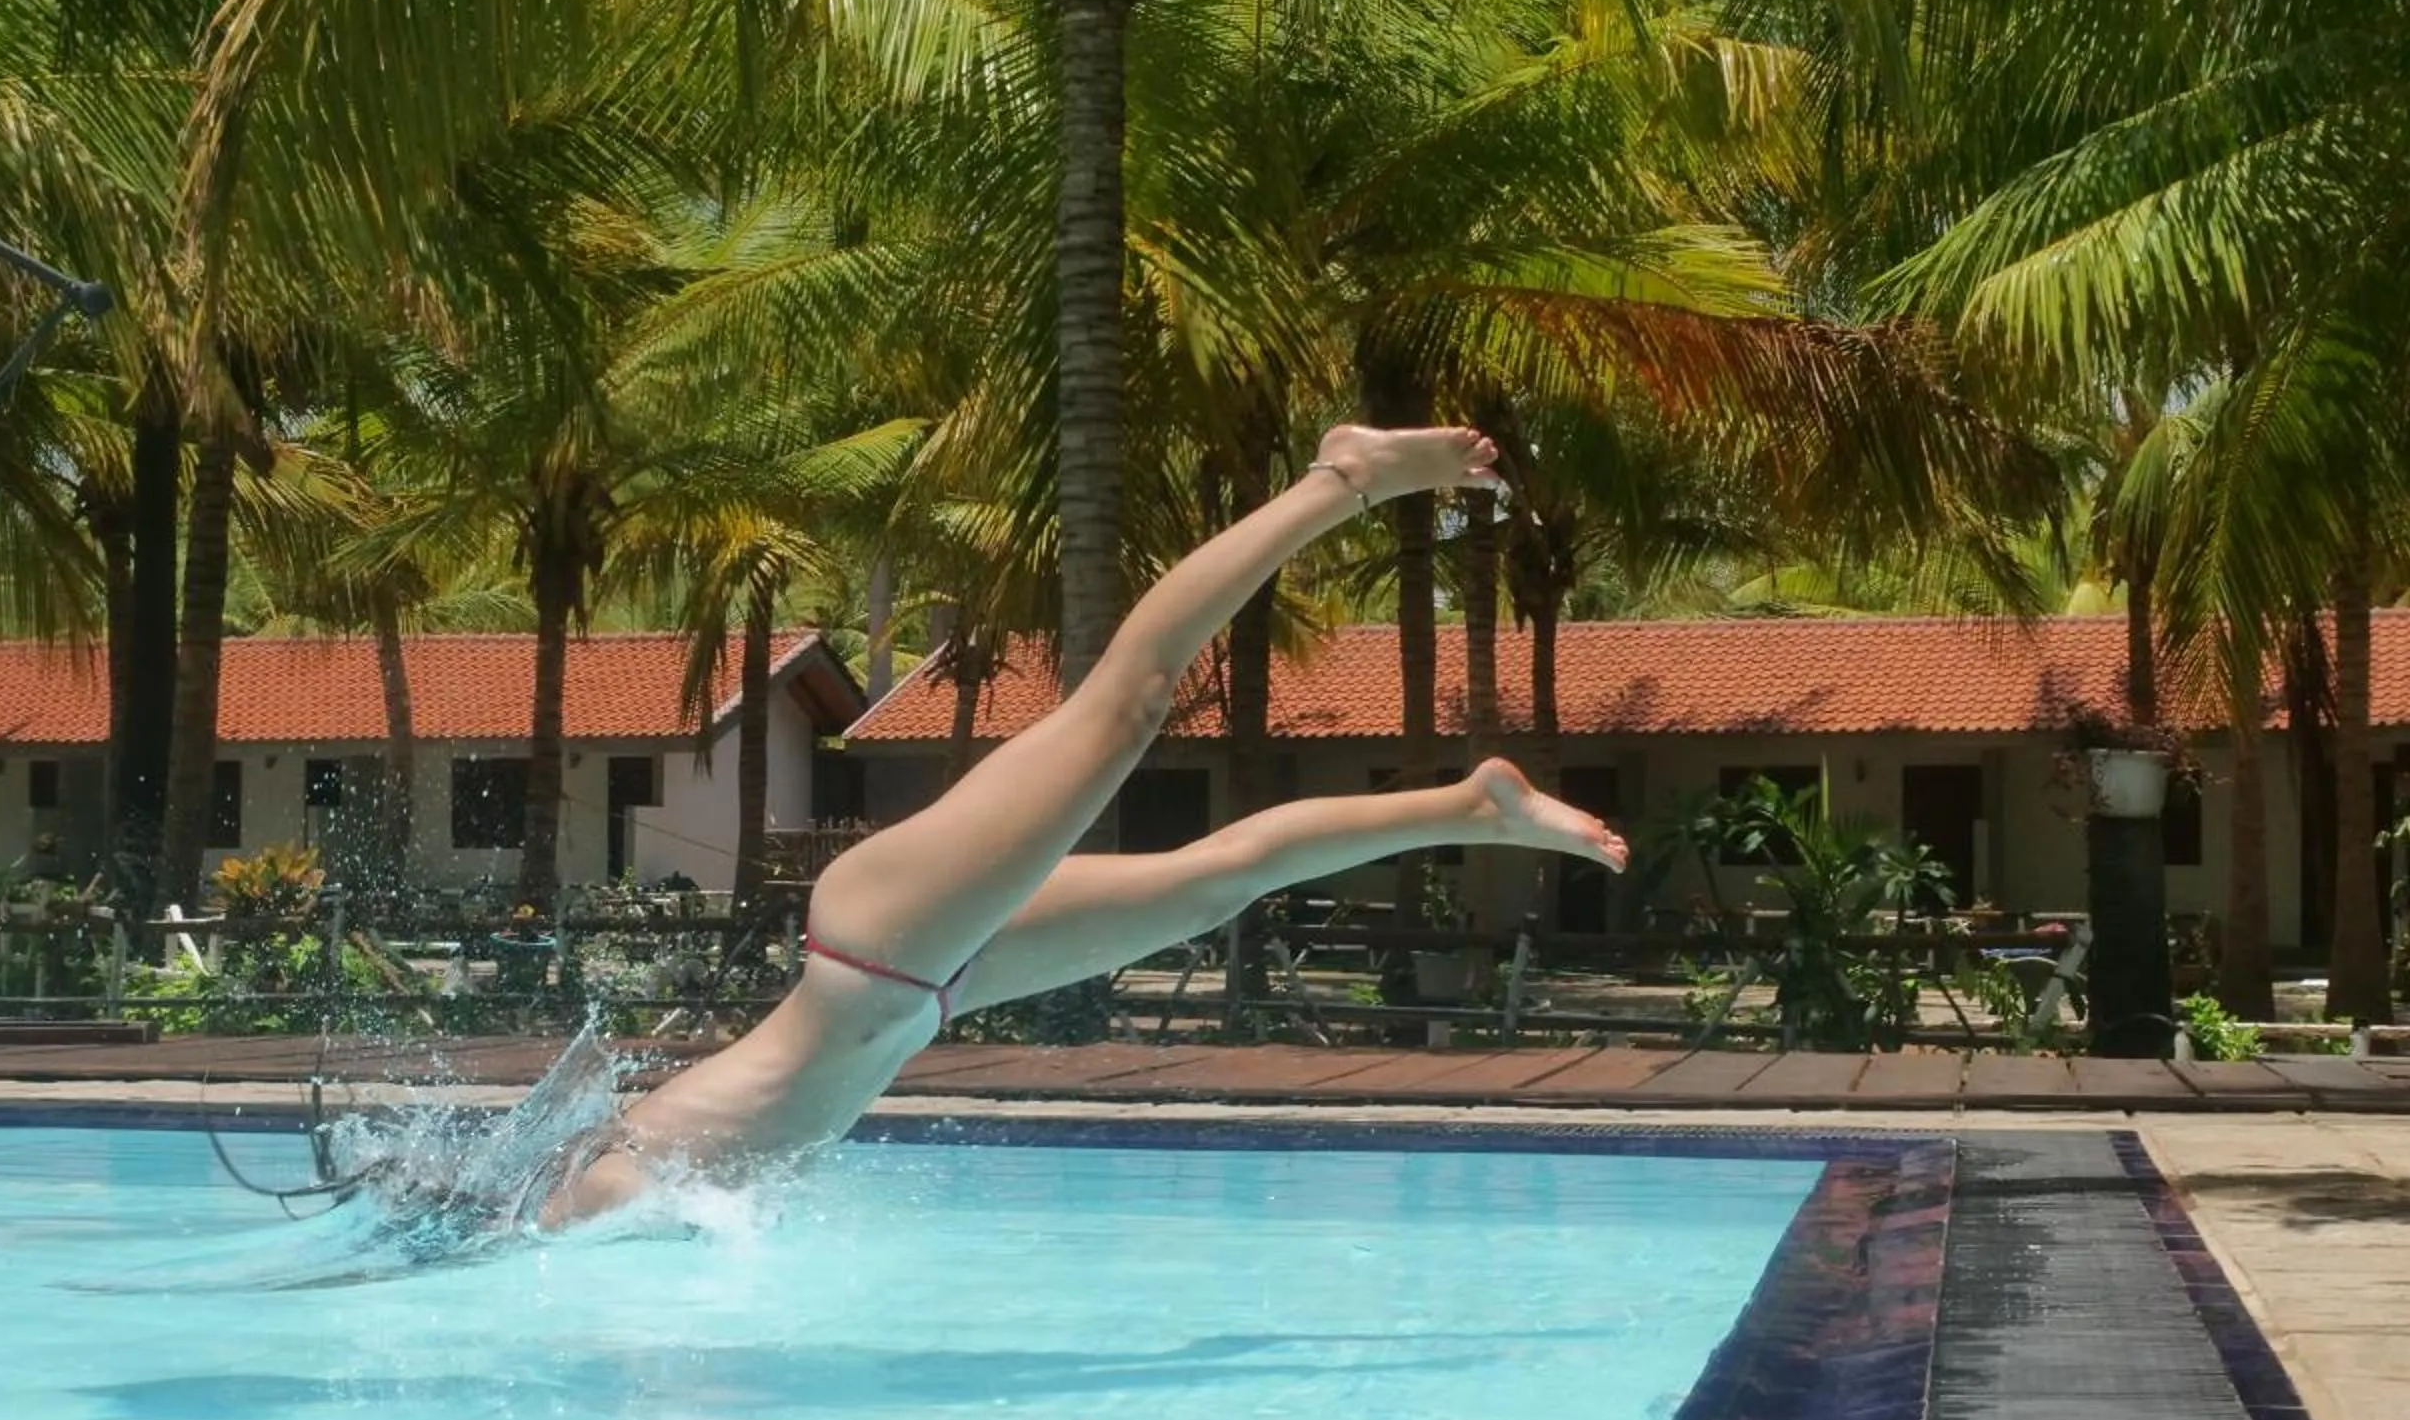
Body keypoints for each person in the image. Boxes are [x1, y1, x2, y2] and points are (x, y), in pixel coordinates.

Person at [533, 425, 1627, 1228]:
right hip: (920, 986)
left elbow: (626, 1206)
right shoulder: (629, 1178)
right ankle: (1473, 806)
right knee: (1219, 878)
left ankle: (1343, 477)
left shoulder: (603, 1192)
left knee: (1127, 703)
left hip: (880, 950)